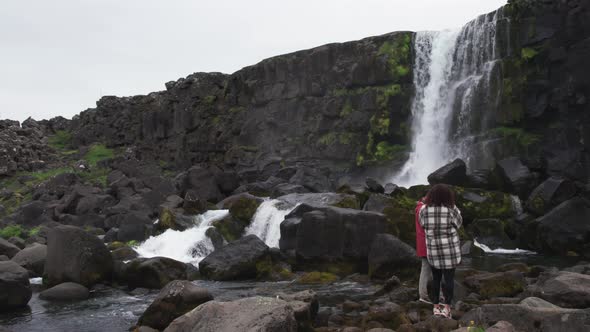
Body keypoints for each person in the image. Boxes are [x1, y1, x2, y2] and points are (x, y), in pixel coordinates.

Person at [419, 184, 462, 319]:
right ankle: (447, 308)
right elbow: (459, 223)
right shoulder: (451, 209)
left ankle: (436, 307)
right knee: (449, 279)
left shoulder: (424, 210)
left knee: (436, 279)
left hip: (433, 249)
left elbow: (422, 224)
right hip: (450, 250)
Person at [415, 197, 431, 303]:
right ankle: (423, 295)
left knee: (426, 269)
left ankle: (424, 294)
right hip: (427, 243)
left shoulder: (418, 208)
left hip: (422, 243)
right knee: (426, 269)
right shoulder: (424, 209)